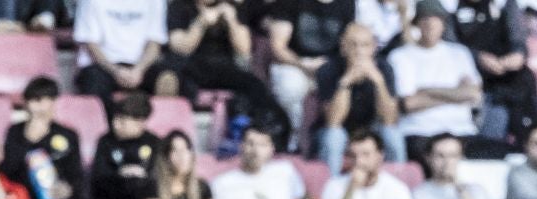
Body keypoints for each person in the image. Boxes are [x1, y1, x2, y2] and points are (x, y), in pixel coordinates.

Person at [165, 0, 281, 133]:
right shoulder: (179, 6)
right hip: (190, 66)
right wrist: (201, 23)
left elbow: (244, 49)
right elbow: (179, 48)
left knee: (255, 85)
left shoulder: (231, 7)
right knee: (178, 82)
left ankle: (264, 130)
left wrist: (232, 21)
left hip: (223, 67)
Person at [387, 0, 482, 151]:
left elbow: (473, 94)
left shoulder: (459, 53)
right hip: (419, 131)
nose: (430, 25)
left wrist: (426, 91)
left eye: (436, 20)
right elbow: (409, 104)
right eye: (425, 20)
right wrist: (455, 95)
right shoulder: (401, 56)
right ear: (417, 24)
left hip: (461, 130)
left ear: (443, 24)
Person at [0, 76, 94, 199]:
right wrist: (28, 139)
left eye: (40, 100)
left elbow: (76, 172)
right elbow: (8, 169)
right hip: (27, 195)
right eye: (31, 101)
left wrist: (68, 189)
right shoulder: (15, 131)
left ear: (53, 101)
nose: (35, 107)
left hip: (58, 194)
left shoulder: (67, 134)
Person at [316, 21, 404, 168]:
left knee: (392, 134)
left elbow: (390, 119)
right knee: (334, 137)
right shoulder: (328, 69)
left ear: (374, 47)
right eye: (353, 45)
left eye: (365, 45)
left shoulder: (385, 68)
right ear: (343, 47)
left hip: (371, 128)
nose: (359, 51)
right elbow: (333, 121)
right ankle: (333, 186)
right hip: (340, 131)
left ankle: (398, 185)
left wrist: (379, 83)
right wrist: (345, 83)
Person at [455, 0, 537, 152]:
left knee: (523, 85)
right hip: (468, 78)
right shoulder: (452, 6)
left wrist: (518, 54)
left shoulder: (505, 4)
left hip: (506, 78)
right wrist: (477, 57)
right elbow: (448, 44)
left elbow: (518, 40)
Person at [266, 0, 354, 137]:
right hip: (294, 62)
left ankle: (337, 138)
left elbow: (350, 41)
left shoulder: (347, 3)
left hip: (332, 64)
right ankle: (290, 137)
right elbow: (278, 47)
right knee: (290, 87)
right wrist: (302, 64)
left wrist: (328, 66)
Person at [73, 0, 174, 100]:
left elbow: (155, 44)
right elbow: (91, 45)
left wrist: (139, 70)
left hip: (141, 66)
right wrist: (116, 71)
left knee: (167, 79)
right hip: (102, 66)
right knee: (93, 81)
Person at [88, 90, 160, 199]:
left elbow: (159, 176)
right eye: (115, 119)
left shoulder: (154, 142)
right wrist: (121, 174)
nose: (116, 125)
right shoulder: (106, 141)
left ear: (140, 122)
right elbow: (99, 176)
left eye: (122, 121)